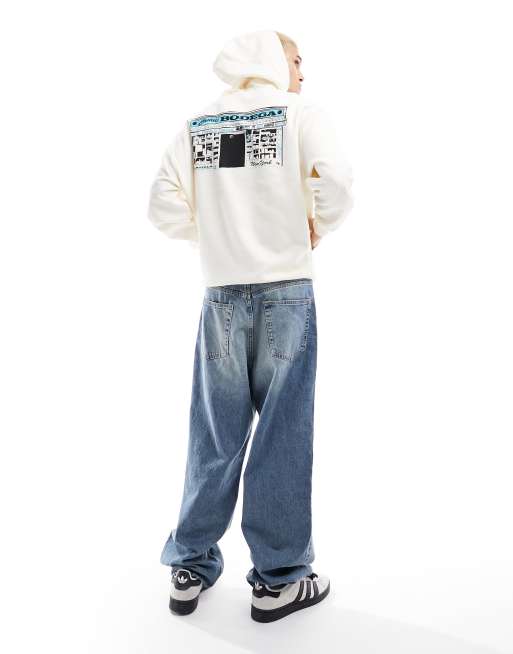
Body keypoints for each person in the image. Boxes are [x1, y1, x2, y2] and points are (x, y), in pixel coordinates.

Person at [147, 29, 354, 623]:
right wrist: (313, 226)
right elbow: (337, 182)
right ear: (271, 60)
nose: (302, 73)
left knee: (216, 432)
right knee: (282, 432)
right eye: (296, 59)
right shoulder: (299, 115)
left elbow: (161, 203)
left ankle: (189, 566)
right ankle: (280, 579)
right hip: (287, 289)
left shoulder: (200, 125)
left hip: (221, 297)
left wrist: (215, 236)